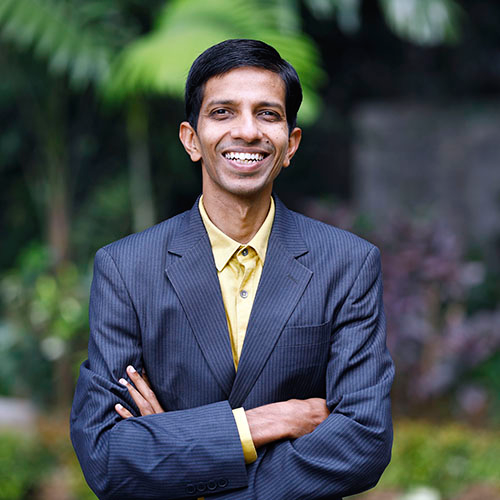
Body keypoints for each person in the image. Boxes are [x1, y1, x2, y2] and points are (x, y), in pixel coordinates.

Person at [70, 39, 394, 500]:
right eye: (223, 112)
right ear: (191, 139)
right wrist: (262, 422)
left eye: (268, 114)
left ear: (290, 144)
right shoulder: (126, 268)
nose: (247, 131)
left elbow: (363, 440)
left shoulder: (347, 264)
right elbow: (106, 455)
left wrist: (181, 454)